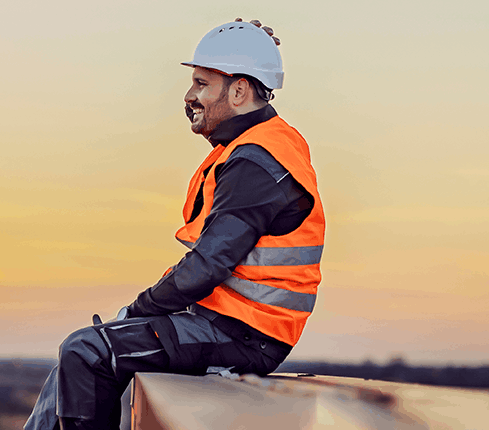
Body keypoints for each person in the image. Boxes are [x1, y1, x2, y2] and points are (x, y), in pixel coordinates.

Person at [22, 19, 324, 430]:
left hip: (245, 336)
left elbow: (208, 265)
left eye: (201, 83)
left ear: (238, 91)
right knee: (78, 353)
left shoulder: (256, 161)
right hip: (226, 324)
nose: (189, 95)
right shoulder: (255, 147)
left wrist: (136, 309)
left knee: (87, 351)